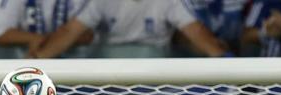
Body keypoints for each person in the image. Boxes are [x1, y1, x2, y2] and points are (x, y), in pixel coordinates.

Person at [33, 0, 228, 58]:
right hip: (108, 78)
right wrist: (37, 60)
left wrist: (227, 62)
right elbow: (70, 32)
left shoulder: (171, 2)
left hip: (155, 78)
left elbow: (198, 34)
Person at [0, 0, 91, 57]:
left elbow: (89, 35)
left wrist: (45, 41)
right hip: (30, 67)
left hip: (80, 71)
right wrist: (34, 38)